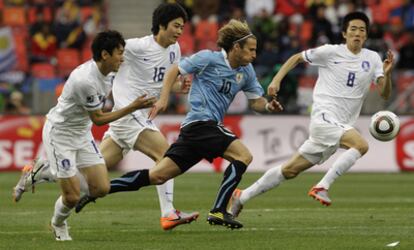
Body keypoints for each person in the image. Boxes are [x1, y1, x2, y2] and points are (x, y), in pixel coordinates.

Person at [75, 19, 283, 229]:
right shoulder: (208, 58)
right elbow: (174, 70)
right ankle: (219, 210)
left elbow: (256, 101)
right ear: (236, 47)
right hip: (200, 123)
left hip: (198, 132)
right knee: (243, 155)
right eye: (251, 50)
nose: (254, 55)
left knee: (157, 175)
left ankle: (100, 189)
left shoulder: (246, 72)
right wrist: (164, 97)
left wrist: (267, 107)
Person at [13, 3, 199, 231]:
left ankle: (42, 172)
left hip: (136, 117)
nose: (180, 31)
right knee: (167, 157)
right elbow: (102, 57)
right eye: (176, 26)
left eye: (182, 27)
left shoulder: (174, 50)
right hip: (129, 114)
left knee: (91, 180)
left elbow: (159, 82)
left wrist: (177, 87)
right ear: (161, 25)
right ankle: (168, 213)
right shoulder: (136, 47)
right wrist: (79, 79)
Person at [228, 12, 394, 217]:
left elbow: (385, 93)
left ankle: (242, 196)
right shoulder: (330, 52)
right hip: (324, 117)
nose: (357, 33)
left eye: (362, 30)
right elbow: (297, 58)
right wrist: (276, 80)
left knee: (289, 170)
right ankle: (322, 186)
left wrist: (386, 75)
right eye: (353, 29)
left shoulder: (372, 58)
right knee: (361, 145)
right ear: (344, 33)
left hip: (339, 126)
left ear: (366, 35)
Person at [24, 30, 156, 241]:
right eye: (119, 53)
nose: (123, 57)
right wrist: (133, 107)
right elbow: (99, 119)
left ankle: (44, 170)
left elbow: (141, 80)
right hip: (60, 133)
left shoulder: (111, 71)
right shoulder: (85, 80)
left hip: (81, 133)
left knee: (101, 188)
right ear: (105, 55)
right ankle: (58, 224)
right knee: (72, 196)